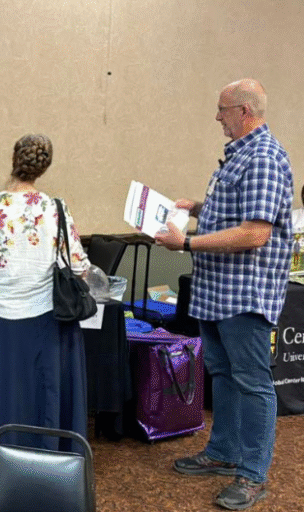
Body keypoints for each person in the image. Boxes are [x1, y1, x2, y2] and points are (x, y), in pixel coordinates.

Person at [155, 79, 293, 510]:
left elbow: (255, 233)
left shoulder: (265, 158)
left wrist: (188, 243)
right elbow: (240, 211)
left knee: (253, 383)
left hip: (244, 295)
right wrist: (198, 207)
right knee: (222, 373)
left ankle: (253, 476)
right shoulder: (241, 156)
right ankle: (223, 452)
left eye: (222, 109)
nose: (217, 117)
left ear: (245, 111)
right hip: (218, 292)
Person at [0, 134, 91, 483]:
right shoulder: (55, 208)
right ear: (44, 167)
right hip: (46, 317)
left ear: (14, 158)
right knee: (42, 397)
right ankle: (46, 469)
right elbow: (78, 266)